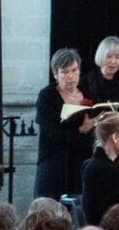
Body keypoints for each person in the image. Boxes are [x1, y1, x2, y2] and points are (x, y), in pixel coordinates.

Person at [35, 49, 98, 199]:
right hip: (54, 163)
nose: (71, 76)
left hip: (81, 162)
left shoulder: (88, 93)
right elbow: (51, 132)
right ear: (56, 74)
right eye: (65, 72)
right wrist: (81, 130)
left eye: (74, 70)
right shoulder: (47, 96)